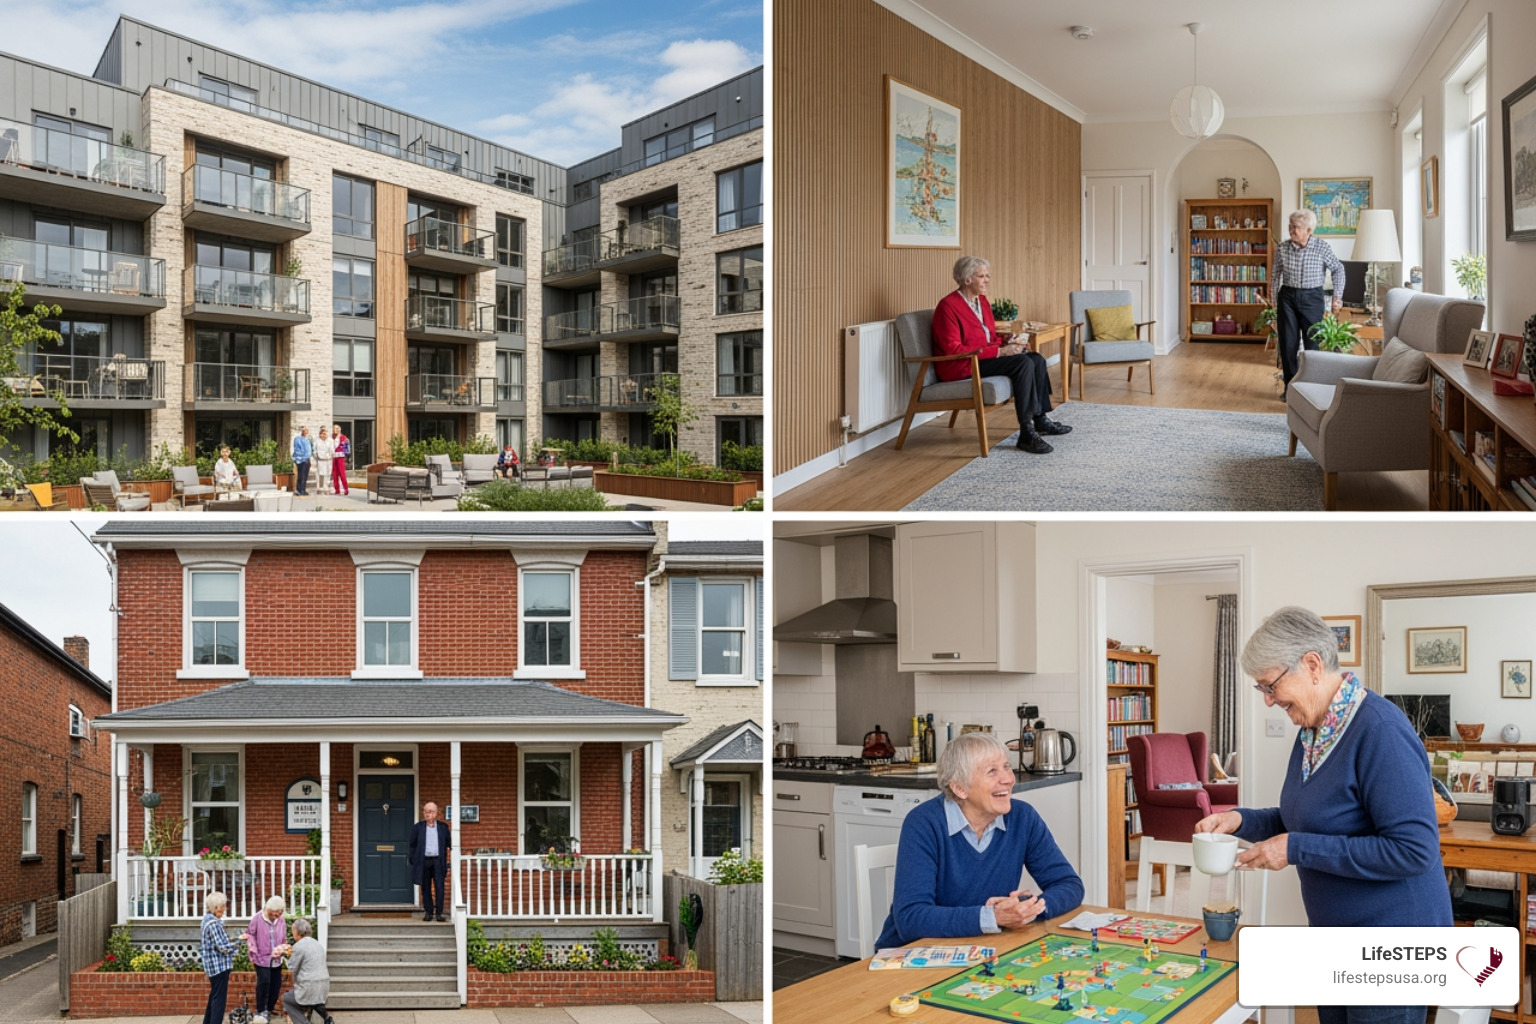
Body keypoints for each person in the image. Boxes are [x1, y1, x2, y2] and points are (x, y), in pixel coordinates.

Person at [1196, 606, 1449, 1024]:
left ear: (1312, 665)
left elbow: (1414, 850)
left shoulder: (1379, 729)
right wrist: (1241, 820)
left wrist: (1297, 849)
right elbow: (1309, 818)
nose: (1268, 700)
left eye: (1271, 685)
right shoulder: (1313, 730)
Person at [875, 731, 1083, 949]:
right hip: (912, 955)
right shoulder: (924, 823)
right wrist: (993, 917)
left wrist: (1027, 908)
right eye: (992, 771)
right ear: (959, 788)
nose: (1008, 779)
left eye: (1006, 767)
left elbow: (1069, 884)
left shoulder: (1023, 818)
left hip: (983, 948)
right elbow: (911, 918)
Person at [932, 256, 1071, 454]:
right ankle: (1026, 432)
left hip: (981, 359)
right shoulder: (948, 306)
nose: (987, 280)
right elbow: (952, 349)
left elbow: (986, 337)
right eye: (982, 276)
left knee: (1036, 359)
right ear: (966, 279)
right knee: (1022, 363)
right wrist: (1000, 351)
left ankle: (1040, 420)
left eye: (988, 275)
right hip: (960, 365)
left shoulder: (982, 302)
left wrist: (1007, 340)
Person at [1271, 210, 1347, 392]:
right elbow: (1275, 274)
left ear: (1309, 230)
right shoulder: (1283, 248)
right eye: (1290, 226)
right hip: (1288, 297)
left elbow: (1338, 269)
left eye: (1295, 227)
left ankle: (1310, 388)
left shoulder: (1322, 247)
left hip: (1313, 298)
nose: (1291, 230)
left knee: (1312, 344)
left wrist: (1338, 296)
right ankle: (1289, 388)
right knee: (1288, 344)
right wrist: (1274, 300)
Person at [200, 891, 246, 1024]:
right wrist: (239, 943)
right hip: (218, 967)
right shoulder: (214, 923)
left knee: (214, 996)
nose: (224, 908)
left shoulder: (207, 920)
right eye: (222, 906)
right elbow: (223, 947)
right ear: (215, 907)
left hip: (212, 967)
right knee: (219, 1001)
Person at [246, 895, 291, 1024]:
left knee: (276, 985)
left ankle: (269, 1009)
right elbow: (250, 935)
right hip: (261, 958)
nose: (279, 914)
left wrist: (284, 948)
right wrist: (253, 952)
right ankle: (261, 1010)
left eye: (281, 912)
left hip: (277, 958)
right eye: (277, 912)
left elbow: (283, 936)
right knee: (264, 982)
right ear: (270, 910)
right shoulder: (257, 919)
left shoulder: (280, 920)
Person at [280, 918, 332, 1024]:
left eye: (293, 931)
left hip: (308, 987)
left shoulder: (299, 946)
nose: (292, 934)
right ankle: (326, 1018)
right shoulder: (318, 944)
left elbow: (291, 969)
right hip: (323, 985)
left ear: (297, 931)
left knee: (286, 999)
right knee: (311, 1002)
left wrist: (284, 956)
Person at [408, 801, 452, 922]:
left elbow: (450, 843)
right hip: (424, 861)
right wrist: (413, 860)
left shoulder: (443, 827)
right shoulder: (418, 827)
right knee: (425, 888)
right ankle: (428, 912)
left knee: (439, 887)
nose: (428, 814)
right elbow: (412, 845)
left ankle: (439, 913)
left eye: (431, 811)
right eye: (426, 811)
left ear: (436, 813)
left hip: (438, 861)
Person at [313, 428, 336, 496]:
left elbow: (332, 449)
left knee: (328, 474)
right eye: (322, 434)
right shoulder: (317, 441)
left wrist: (331, 456)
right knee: (320, 475)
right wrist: (316, 456)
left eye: (325, 433)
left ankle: (326, 488)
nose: (324, 435)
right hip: (320, 460)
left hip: (328, 460)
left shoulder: (330, 441)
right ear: (320, 434)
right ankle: (319, 488)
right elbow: (314, 450)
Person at [291, 427, 313, 496]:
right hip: (301, 459)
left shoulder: (307, 439)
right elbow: (298, 450)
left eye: (307, 431)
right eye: (305, 431)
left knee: (305, 476)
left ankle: (302, 489)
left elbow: (309, 450)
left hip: (306, 459)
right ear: (302, 431)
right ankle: (300, 490)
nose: (306, 433)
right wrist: (304, 457)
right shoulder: (298, 439)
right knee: (301, 476)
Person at [330, 424, 350, 496]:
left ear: (339, 429)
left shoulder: (343, 437)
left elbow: (347, 448)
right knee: (335, 474)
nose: (334, 430)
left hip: (341, 457)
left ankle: (346, 489)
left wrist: (346, 454)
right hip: (334, 457)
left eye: (336, 428)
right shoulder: (331, 437)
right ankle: (337, 490)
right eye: (333, 428)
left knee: (342, 474)